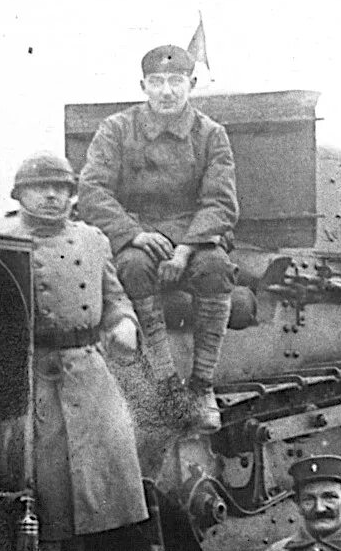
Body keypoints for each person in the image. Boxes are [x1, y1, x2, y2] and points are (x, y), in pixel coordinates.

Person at [76, 43, 239, 433]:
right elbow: (93, 190)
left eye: (176, 81)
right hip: (138, 232)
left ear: (192, 84)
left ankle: (201, 386)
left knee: (216, 268)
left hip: (194, 237)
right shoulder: (116, 129)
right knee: (131, 267)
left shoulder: (211, 135)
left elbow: (221, 202)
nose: (167, 91)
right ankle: (166, 385)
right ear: (143, 85)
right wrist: (134, 234)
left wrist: (183, 251)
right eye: (157, 82)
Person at [8, 152, 151, 550]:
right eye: (41, 187)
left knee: (107, 476)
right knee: (43, 483)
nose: (52, 196)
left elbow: (114, 296)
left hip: (88, 372)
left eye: (61, 188)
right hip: (31, 373)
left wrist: (123, 322)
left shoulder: (92, 239)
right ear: (20, 193)